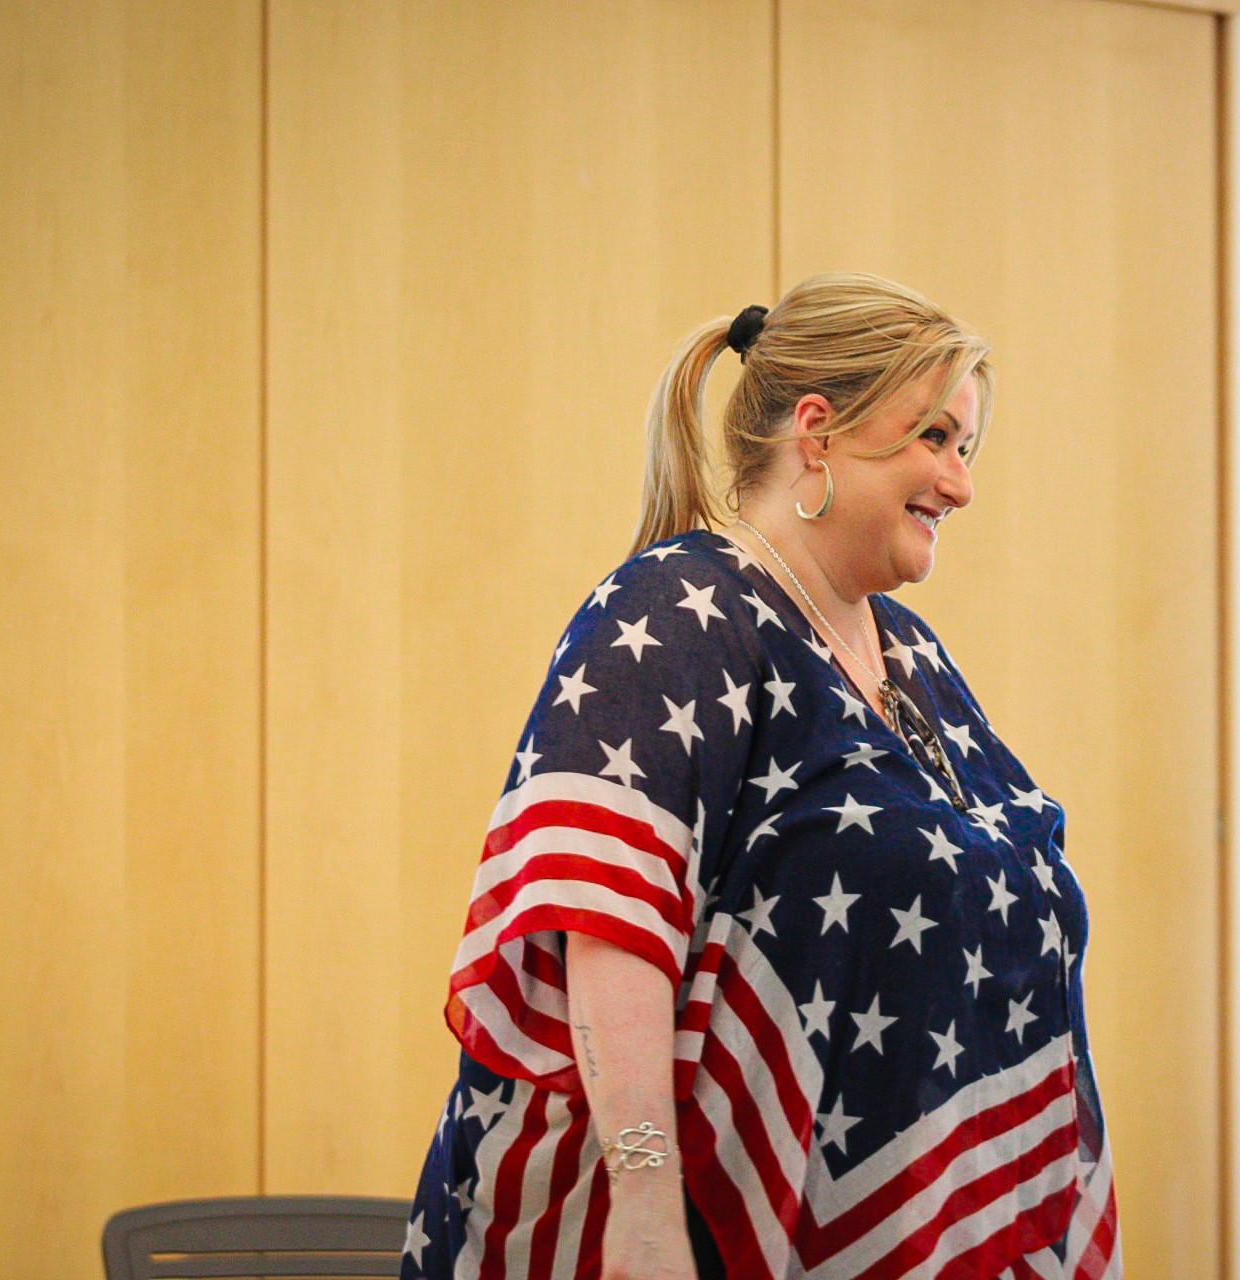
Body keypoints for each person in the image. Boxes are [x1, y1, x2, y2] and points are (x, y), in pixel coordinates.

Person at [402, 273, 1122, 1280]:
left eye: (967, 449)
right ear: (817, 431)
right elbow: (605, 915)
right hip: (675, 1238)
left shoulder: (914, 655)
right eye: (934, 438)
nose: (960, 484)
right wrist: (644, 1209)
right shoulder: (679, 605)